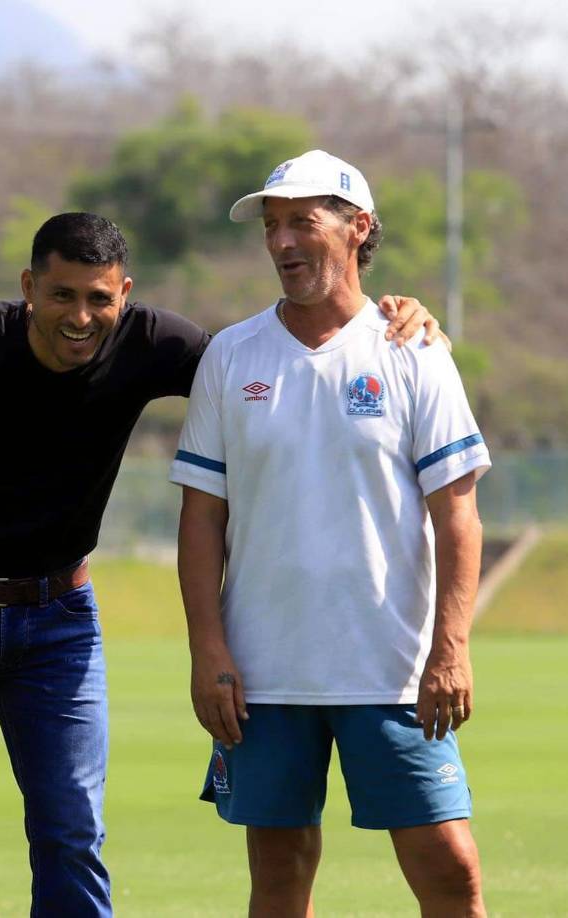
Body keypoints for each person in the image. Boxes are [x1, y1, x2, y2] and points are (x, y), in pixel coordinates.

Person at [0, 211, 443, 917]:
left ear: (125, 292)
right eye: (61, 295)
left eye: (99, 298)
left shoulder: (155, 343)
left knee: (72, 833)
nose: (80, 317)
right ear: (29, 287)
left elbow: (273, 360)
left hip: (59, 624)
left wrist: (393, 325)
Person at [170, 150, 491, 917]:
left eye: (302, 222)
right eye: (272, 225)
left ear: (359, 228)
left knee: (451, 871)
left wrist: (451, 648)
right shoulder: (231, 355)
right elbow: (202, 518)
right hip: (264, 673)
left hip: (393, 669)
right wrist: (207, 650)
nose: (282, 241)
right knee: (278, 876)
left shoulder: (413, 350)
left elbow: (458, 514)